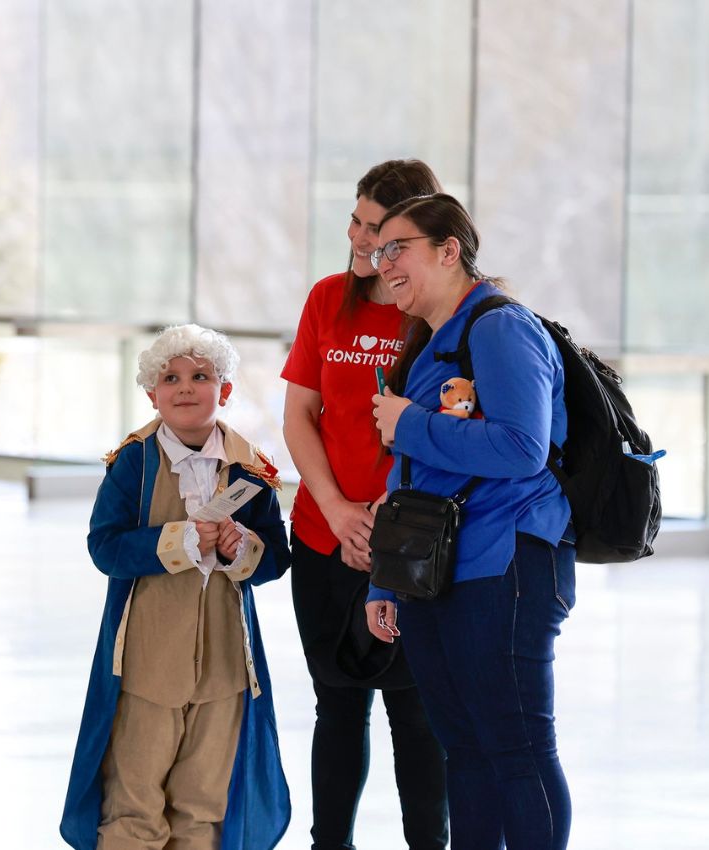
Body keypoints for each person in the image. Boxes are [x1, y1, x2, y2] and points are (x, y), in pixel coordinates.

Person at [366, 193, 574, 849]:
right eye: (375, 251)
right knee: (465, 749)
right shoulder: (434, 345)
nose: (383, 263)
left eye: (397, 246)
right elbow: (418, 478)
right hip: (438, 570)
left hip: (505, 561)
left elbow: (521, 448)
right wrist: (386, 578)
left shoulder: (499, 328)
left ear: (448, 249)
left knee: (516, 747)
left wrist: (409, 423)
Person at [60, 324, 294, 850]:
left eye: (200, 376)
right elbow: (106, 548)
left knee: (205, 806)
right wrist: (179, 540)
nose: (185, 387)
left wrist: (242, 547)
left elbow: (276, 558)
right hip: (147, 660)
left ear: (224, 390)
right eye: (171, 377)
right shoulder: (133, 463)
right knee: (134, 800)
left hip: (226, 667)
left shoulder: (252, 469)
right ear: (152, 393)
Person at [281, 160, 449, 849]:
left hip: (406, 544)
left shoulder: (433, 315)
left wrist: (378, 520)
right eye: (355, 220)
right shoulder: (327, 300)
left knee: (416, 711)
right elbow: (300, 416)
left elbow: (444, 431)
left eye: (376, 228)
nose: (358, 237)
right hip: (322, 537)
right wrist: (337, 508)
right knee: (337, 705)